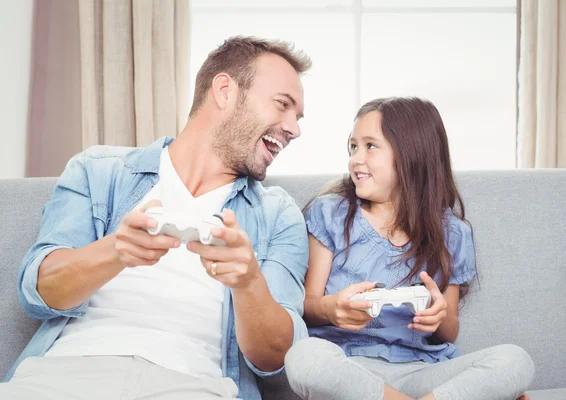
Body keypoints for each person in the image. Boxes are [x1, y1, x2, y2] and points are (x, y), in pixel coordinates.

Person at [1, 36, 312, 400]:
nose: (294, 128)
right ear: (225, 91)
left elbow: (275, 357)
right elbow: (39, 291)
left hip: (193, 384)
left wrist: (248, 282)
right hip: (67, 372)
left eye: (298, 116)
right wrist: (116, 250)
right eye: (282, 105)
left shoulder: (279, 215)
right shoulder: (99, 171)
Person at [284, 97, 535, 400]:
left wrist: (439, 314)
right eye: (353, 147)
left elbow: (448, 331)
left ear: (411, 154)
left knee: (515, 360)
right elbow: (308, 308)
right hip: (349, 372)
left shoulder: (452, 233)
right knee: (305, 357)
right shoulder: (332, 213)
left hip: (418, 371)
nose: (355, 159)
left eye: (370, 146)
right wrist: (331, 308)